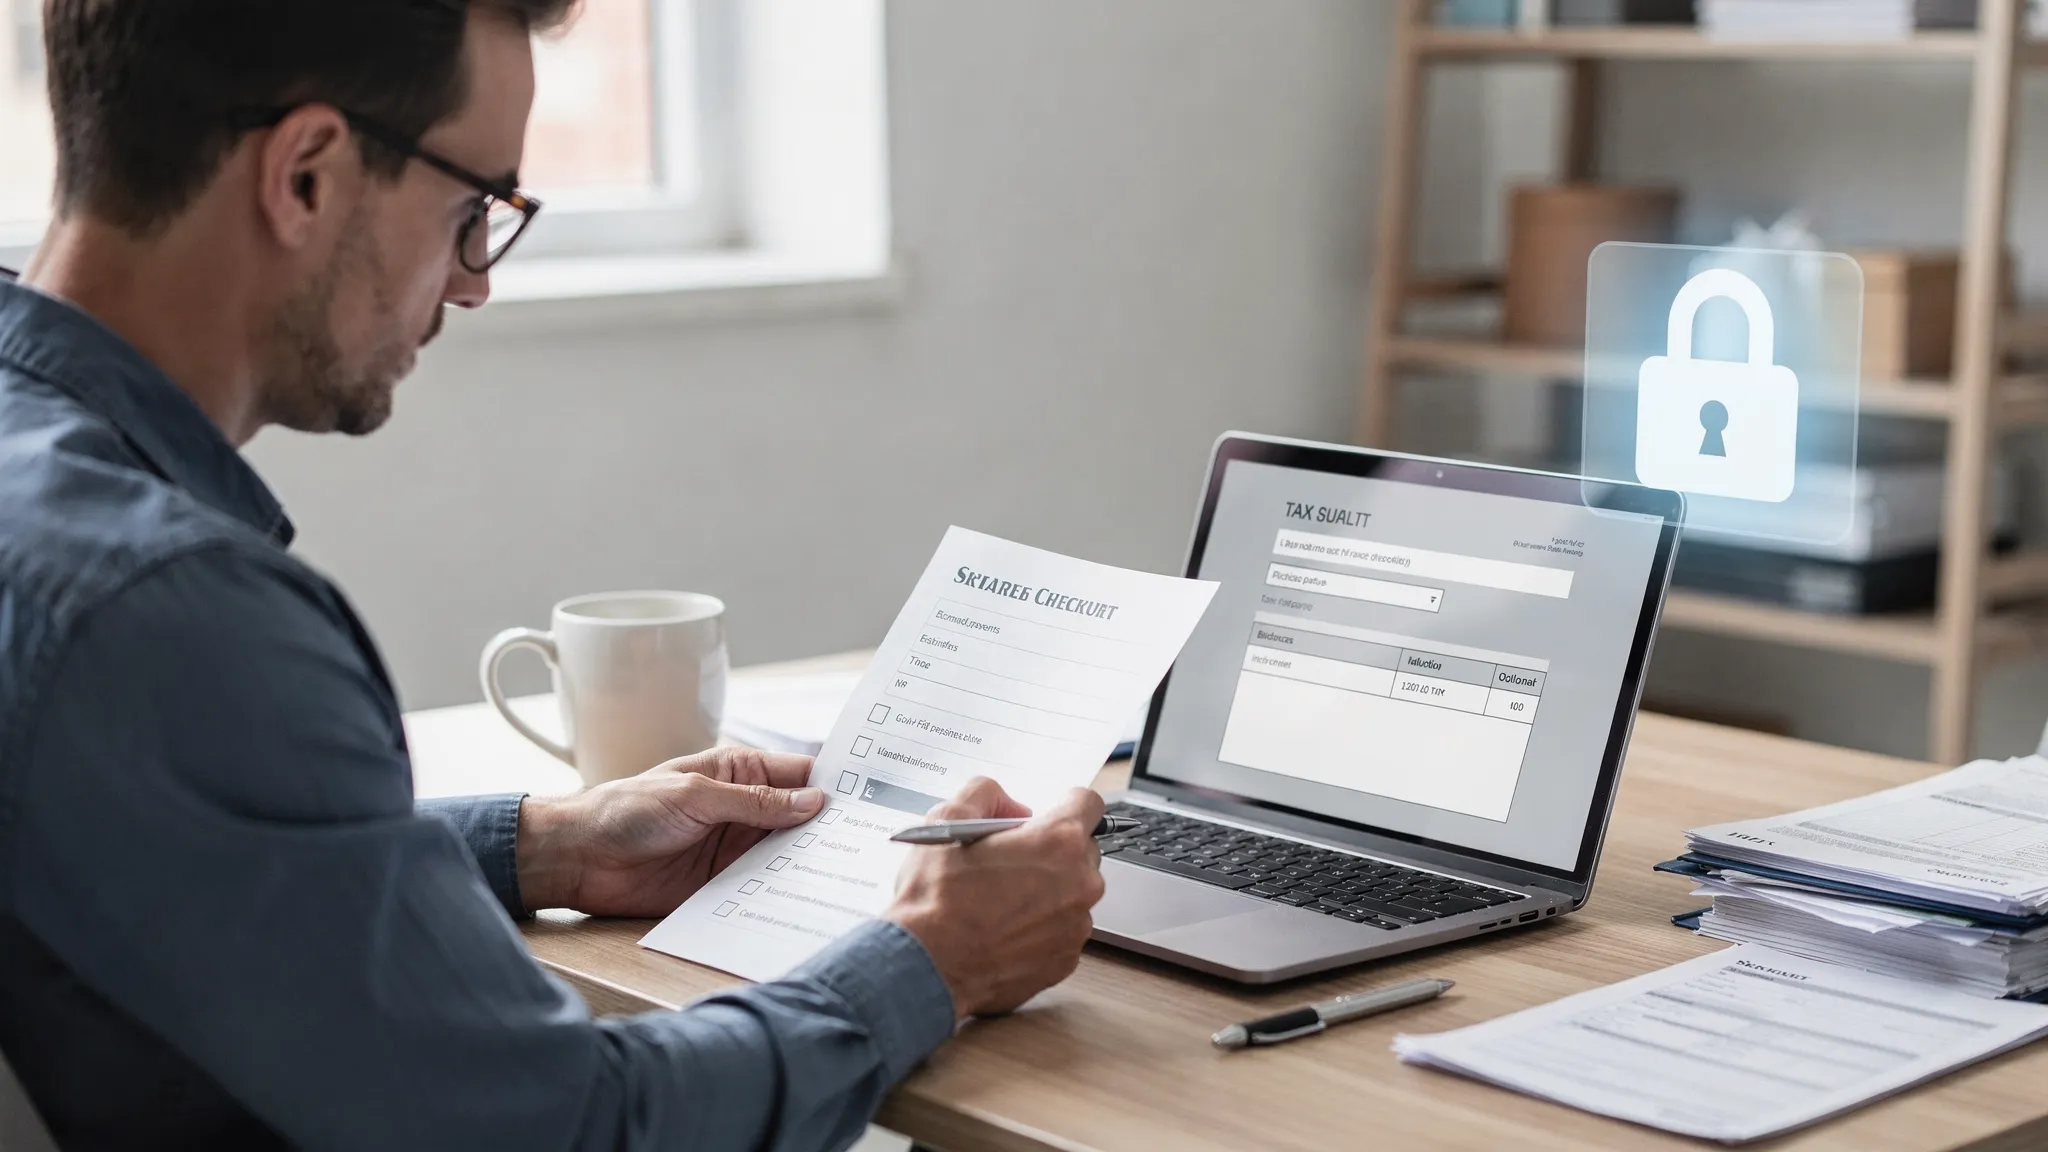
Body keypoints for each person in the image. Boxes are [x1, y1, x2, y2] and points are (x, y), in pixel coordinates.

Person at [0, 2, 1108, 1149]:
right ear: (309, 176)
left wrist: (550, 847)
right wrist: (932, 960)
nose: (475, 282)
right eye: (471, 206)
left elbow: (196, 860)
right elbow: (575, 1128)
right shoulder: (171, 616)